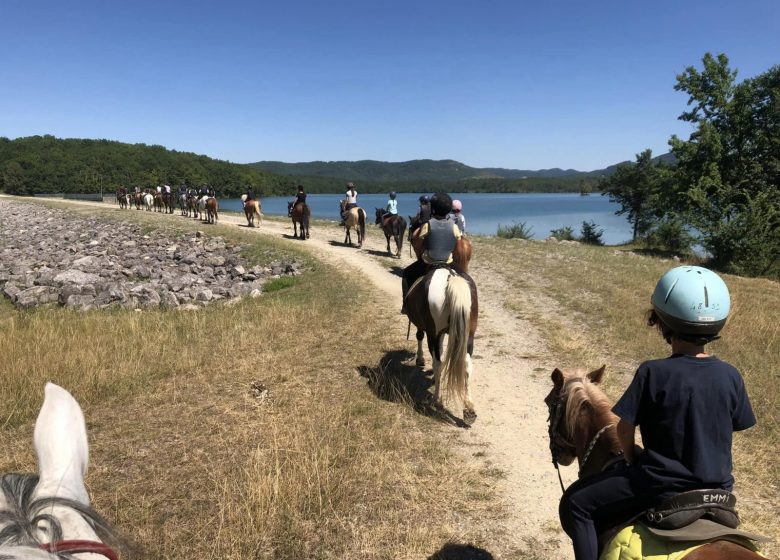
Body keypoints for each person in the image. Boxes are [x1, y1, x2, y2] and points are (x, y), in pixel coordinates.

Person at [559, 266, 756, 560]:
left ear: (662, 321)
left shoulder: (653, 371)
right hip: (719, 490)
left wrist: (630, 456)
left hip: (659, 486)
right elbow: (736, 425)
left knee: (576, 503)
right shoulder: (731, 375)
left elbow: (625, 429)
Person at [401, 192, 462, 313]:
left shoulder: (428, 225)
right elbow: (457, 246)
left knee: (407, 274)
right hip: (448, 263)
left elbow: (418, 245)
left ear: (433, 209)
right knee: (466, 277)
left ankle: (406, 305)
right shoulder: (454, 226)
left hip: (429, 263)